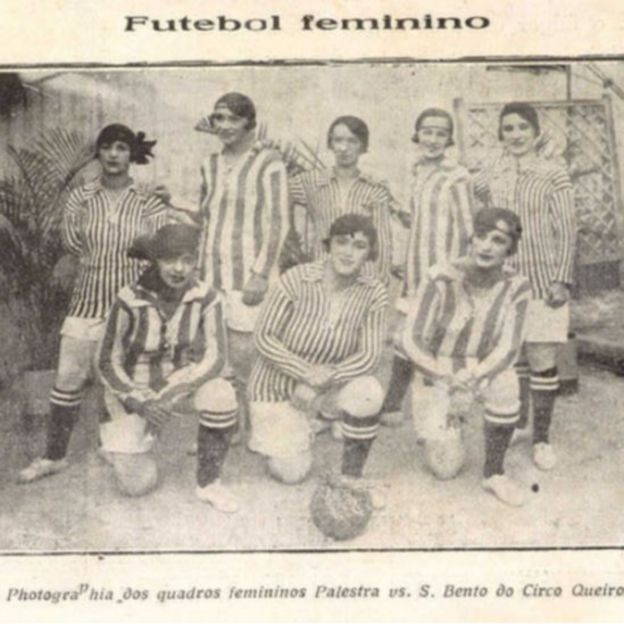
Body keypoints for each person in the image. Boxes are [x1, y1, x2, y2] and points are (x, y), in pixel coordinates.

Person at [18, 123, 170, 484]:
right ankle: (53, 456)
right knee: (69, 377)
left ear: (132, 154)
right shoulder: (81, 196)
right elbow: (72, 243)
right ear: (98, 153)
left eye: (121, 147)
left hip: (133, 305)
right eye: (107, 147)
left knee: (118, 381)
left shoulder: (148, 198)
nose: (113, 155)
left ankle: (113, 444)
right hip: (88, 300)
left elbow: (160, 251)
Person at [96, 223, 240, 512]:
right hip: (133, 390)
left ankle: (209, 483)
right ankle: (118, 445)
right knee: (138, 485)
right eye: (170, 259)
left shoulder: (207, 296)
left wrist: (168, 396)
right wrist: (140, 402)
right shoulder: (129, 298)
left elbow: (216, 356)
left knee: (222, 393)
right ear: (155, 260)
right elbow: (106, 361)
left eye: (187, 259)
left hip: (178, 383)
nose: (179, 268)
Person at [400, 207, 531, 506]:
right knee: (445, 468)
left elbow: (510, 346)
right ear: (470, 239)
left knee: (507, 381)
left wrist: (473, 381)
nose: (486, 246)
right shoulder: (440, 277)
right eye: (481, 237)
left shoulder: (518, 286)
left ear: (510, 248)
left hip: (479, 368)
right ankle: (445, 427)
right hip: (439, 366)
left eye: (497, 240)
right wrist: (444, 378)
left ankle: (494, 472)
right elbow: (411, 338)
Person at [247, 214, 388, 491]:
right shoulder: (296, 278)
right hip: (277, 385)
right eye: (342, 242)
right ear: (329, 245)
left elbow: (370, 355)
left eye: (359, 246)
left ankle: (348, 470)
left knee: (369, 389)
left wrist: (322, 380)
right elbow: (263, 337)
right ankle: (296, 428)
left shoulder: (374, 292)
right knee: (292, 472)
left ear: (369, 253)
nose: (348, 253)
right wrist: (305, 374)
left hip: (327, 386)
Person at [474, 102, 577, 471]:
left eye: (522, 128)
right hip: (504, 281)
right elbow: (479, 214)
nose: (515, 135)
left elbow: (566, 227)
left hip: (542, 278)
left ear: (535, 133)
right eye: (508, 129)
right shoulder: (491, 175)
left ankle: (542, 438)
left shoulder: (554, 172)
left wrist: (561, 278)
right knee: (512, 355)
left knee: (542, 358)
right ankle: (518, 422)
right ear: (501, 135)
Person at [197, 92, 289, 434]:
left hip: (249, 275)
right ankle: (228, 425)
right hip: (212, 276)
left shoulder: (269, 162)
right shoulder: (210, 164)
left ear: (249, 123)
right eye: (218, 118)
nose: (224, 126)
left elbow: (279, 222)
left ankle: (261, 427)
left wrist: (261, 274)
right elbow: (206, 216)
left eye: (232, 119)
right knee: (218, 355)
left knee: (248, 355)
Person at [382, 108, 474, 427]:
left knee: (439, 339)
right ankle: (393, 404)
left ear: (449, 139)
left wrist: (456, 273)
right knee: (404, 335)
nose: (432, 139)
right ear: (417, 134)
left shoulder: (457, 175)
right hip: (415, 271)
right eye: (427, 132)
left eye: (440, 133)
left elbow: (468, 229)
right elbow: (418, 221)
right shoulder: (418, 171)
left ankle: (445, 412)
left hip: (444, 276)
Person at [289, 115, 394, 284]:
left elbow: (382, 240)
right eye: (338, 140)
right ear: (330, 144)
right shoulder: (310, 181)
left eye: (352, 141)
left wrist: (379, 278)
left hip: (362, 275)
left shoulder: (374, 189)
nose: (344, 148)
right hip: (321, 273)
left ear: (363, 146)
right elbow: (275, 197)